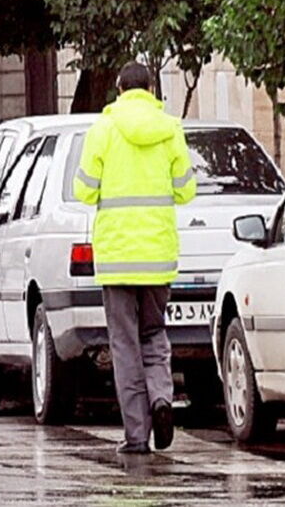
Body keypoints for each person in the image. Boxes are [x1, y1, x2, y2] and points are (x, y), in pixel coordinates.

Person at [74, 61, 196, 454]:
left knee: (124, 344)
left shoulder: (103, 130)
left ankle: (136, 435)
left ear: (118, 88)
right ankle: (162, 398)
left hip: (116, 258)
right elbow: (186, 190)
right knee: (154, 334)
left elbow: (84, 191)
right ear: (150, 88)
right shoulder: (170, 130)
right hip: (158, 256)